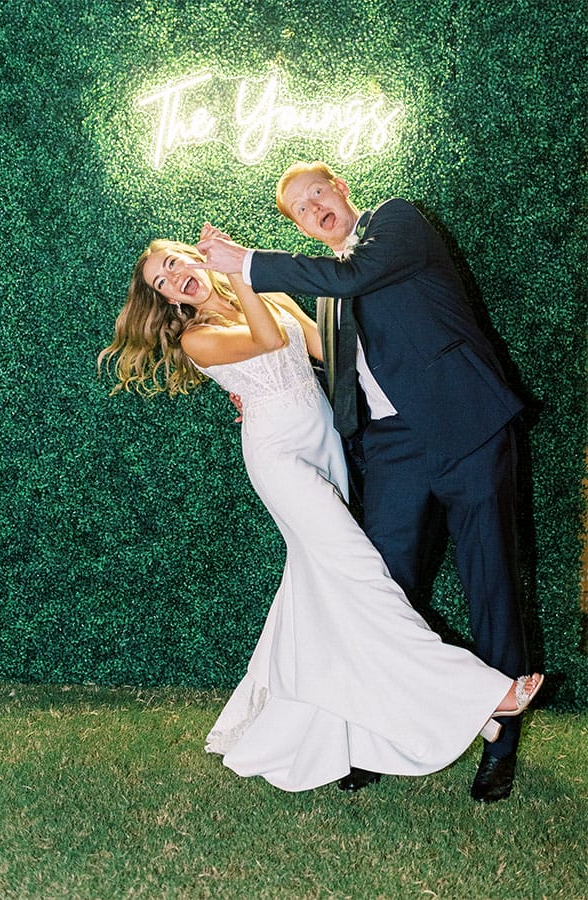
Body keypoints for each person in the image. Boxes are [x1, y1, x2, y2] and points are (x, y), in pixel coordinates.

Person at [98, 238, 542, 795]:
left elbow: (330, 357)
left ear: (192, 255)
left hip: (325, 448)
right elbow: (262, 340)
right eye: (161, 284)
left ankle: (335, 727)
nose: (172, 280)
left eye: (171, 265)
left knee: (319, 595)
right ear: (168, 302)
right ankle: (481, 698)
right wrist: (241, 274)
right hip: (280, 459)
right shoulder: (196, 337)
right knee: (361, 574)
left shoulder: (270, 296)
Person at [195, 162, 531, 803]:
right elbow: (312, 359)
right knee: (376, 595)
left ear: (342, 190)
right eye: (298, 207)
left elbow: (356, 275)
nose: (313, 206)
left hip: (467, 429)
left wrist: (248, 263)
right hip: (389, 449)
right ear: (295, 222)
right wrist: (259, 395)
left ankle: (501, 745)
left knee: (490, 582)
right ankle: (375, 736)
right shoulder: (324, 293)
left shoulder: (396, 223)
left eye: (318, 192)